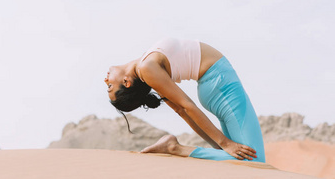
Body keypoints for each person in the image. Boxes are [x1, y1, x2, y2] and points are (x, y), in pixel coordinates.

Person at [104, 37, 265, 162]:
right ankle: (175, 148)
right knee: (254, 159)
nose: (106, 80)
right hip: (222, 86)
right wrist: (224, 144)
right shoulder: (146, 68)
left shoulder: (146, 67)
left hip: (217, 86)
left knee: (242, 156)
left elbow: (181, 110)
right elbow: (186, 107)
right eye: (110, 86)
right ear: (126, 82)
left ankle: (194, 151)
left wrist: (218, 148)